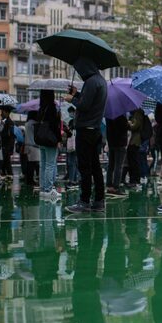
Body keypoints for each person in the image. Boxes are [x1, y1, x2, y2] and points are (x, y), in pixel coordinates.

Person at [65, 57, 108, 213]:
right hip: (95, 129)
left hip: (85, 130)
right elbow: (89, 101)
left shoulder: (91, 82)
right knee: (95, 166)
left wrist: (72, 99)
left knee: (84, 167)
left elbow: (85, 105)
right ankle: (99, 200)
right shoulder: (101, 81)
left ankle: (84, 201)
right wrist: (77, 95)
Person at [36, 89, 62, 201]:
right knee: (50, 165)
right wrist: (59, 139)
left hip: (41, 139)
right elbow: (54, 126)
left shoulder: (41, 108)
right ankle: (48, 189)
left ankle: (43, 189)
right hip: (50, 139)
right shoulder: (52, 108)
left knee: (43, 164)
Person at [105, 114, 129, 197]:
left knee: (111, 165)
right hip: (120, 143)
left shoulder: (108, 116)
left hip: (111, 142)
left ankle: (109, 186)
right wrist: (128, 124)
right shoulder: (121, 116)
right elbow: (123, 128)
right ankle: (116, 187)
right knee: (118, 166)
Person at [126, 108, 148, 191]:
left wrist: (128, 123)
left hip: (135, 140)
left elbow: (135, 126)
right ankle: (133, 180)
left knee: (134, 160)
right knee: (132, 160)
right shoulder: (134, 113)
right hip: (133, 140)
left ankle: (135, 180)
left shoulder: (138, 113)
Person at [23, 111, 40, 186]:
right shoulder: (34, 124)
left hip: (27, 145)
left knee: (29, 164)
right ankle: (31, 180)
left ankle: (29, 179)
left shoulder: (26, 124)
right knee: (33, 164)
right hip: (34, 146)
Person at [64, 106, 79, 187]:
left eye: (71, 111)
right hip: (70, 144)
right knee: (71, 162)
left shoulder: (78, 120)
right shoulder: (70, 121)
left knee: (72, 162)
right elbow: (69, 134)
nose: (70, 113)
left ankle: (72, 180)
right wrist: (67, 129)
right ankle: (74, 179)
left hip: (75, 144)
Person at [0, 108, 15, 180]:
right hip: (4, 144)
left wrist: (11, 147)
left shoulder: (9, 122)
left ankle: (9, 174)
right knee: (5, 160)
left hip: (6, 144)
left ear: (7, 113)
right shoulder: (3, 121)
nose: (2, 113)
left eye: (3, 112)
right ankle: (7, 174)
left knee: (5, 160)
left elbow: (10, 135)